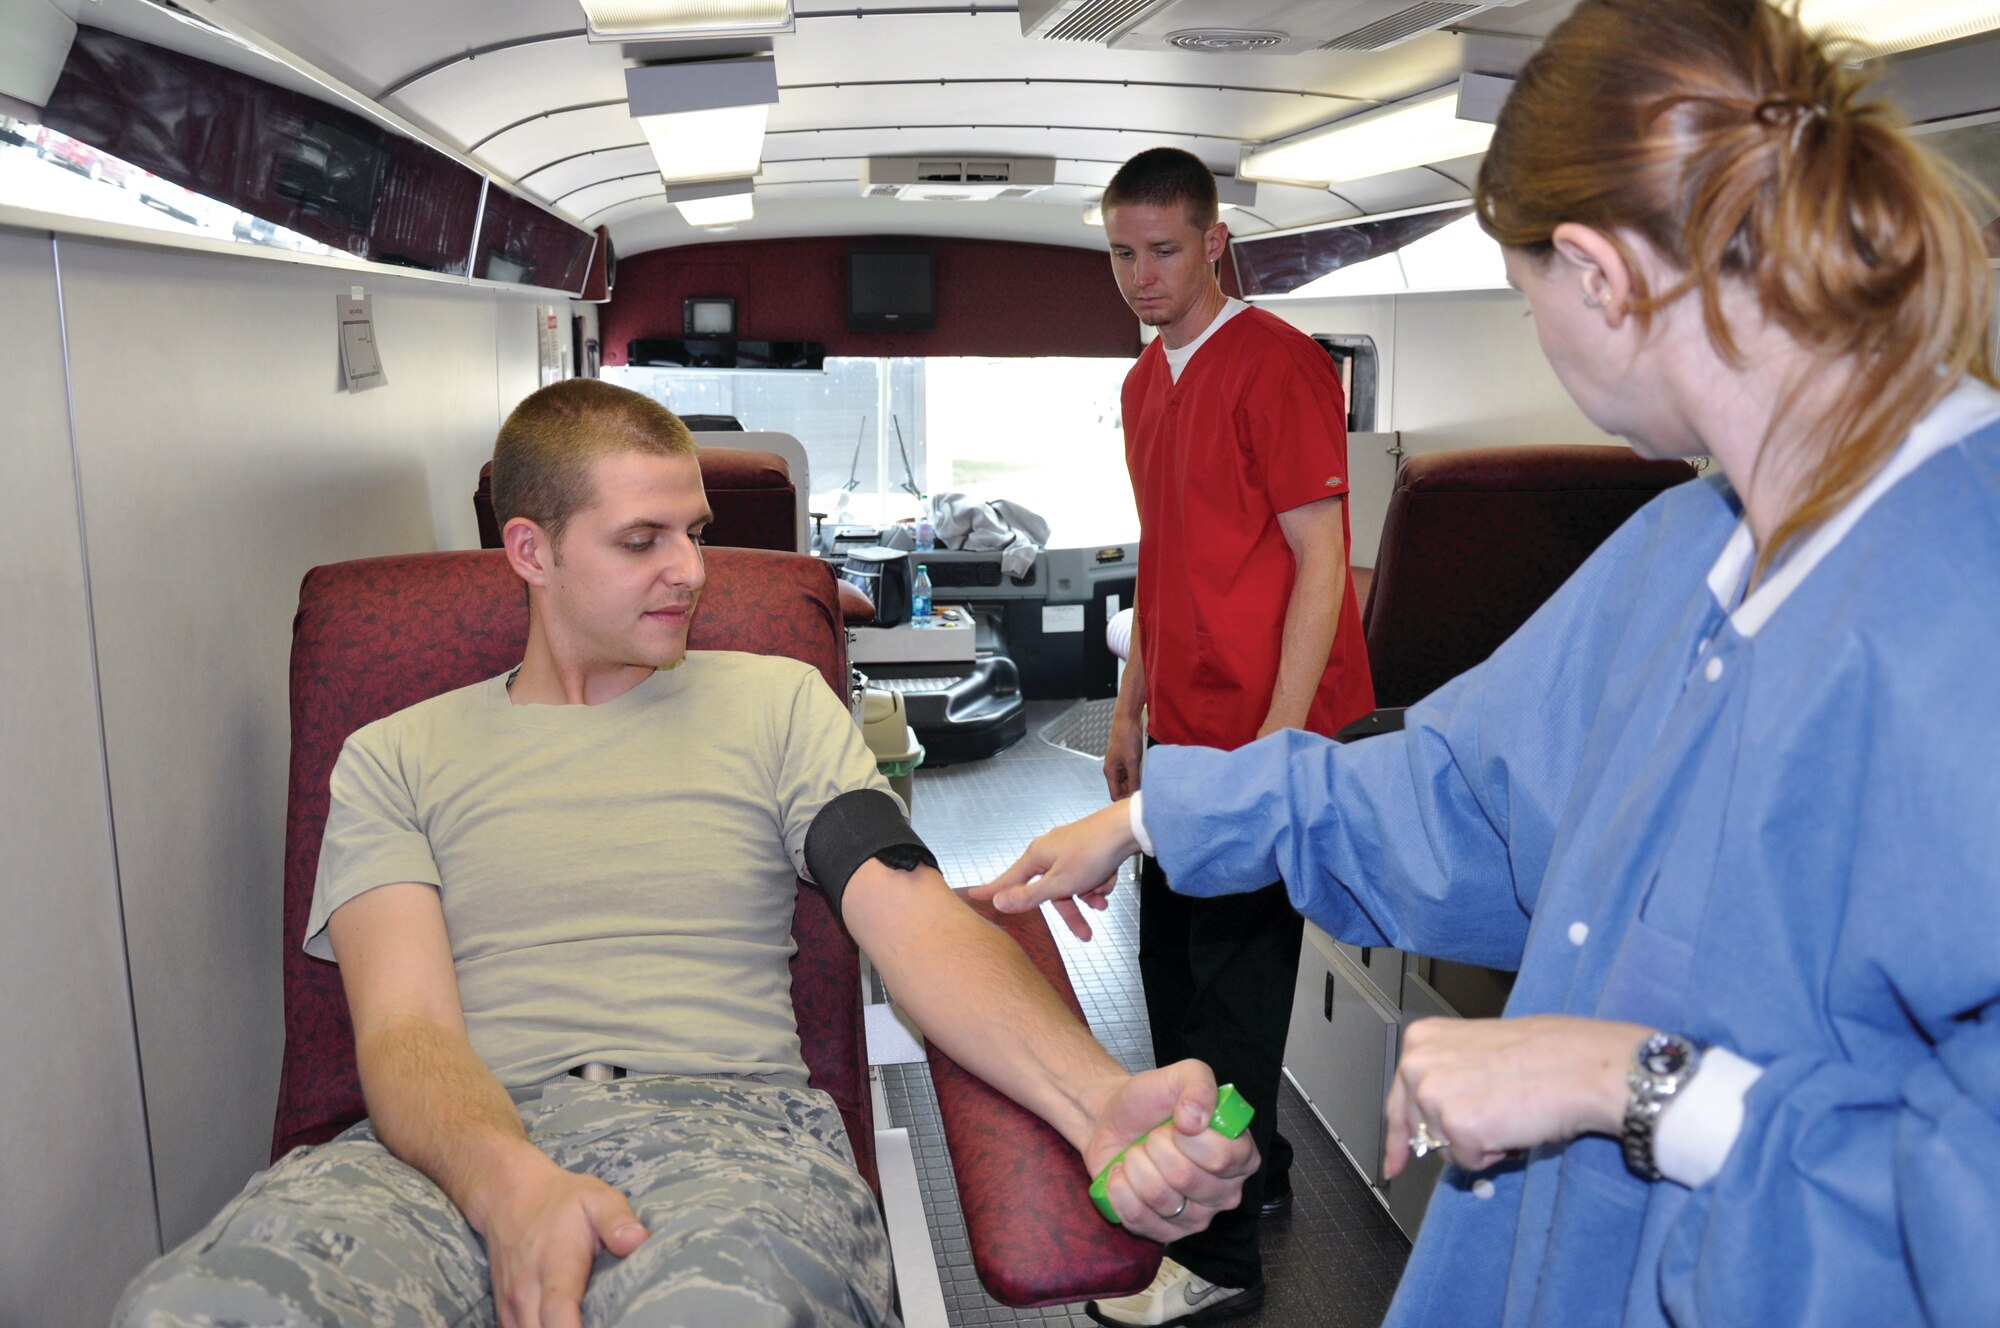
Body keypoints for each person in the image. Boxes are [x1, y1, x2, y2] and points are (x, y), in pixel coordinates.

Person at [978, 1, 2000, 1324]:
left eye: (1523, 298)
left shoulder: (1959, 613)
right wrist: (1154, 813)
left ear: (1595, 273)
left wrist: (1632, 1086)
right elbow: (1461, 799)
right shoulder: (1684, 550)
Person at [116, 380, 1258, 1328]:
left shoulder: (781, 707)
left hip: (726, 1145)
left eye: (697, 533)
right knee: (188, 1307)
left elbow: (909, 917)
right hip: (441, 1155)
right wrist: (513, 1185)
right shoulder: (393, 756)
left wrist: (1094, 1097)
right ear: (530, 549)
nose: (694, 570)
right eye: (640, 540)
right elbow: (404, 1031)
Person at [1076, 146, 1376, 1325]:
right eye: (1119, 253)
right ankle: (1257, 1161)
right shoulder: (1146, 383)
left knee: (1229, 998)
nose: (1140, 276)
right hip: (1185, 737)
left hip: (1270, 737)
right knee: (1166, 976)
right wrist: (1127, 709)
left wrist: (1278, 745)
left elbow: (1320, 567)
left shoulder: (1281, 366)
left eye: (1160, 250)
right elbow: (1158, 557)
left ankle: (1218, 1259)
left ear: (1212, 241)